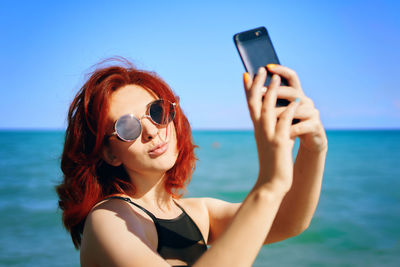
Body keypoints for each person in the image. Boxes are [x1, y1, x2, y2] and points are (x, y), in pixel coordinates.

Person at [56, 58, 328, 267]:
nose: (151, 130)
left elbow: (288, 221)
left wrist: (314, 147)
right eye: (127, 127)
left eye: (157, 112)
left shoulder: (198, 213)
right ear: (109, 153)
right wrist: (270, 184)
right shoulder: (108, 220)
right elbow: (272, 204)